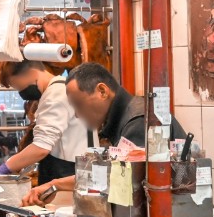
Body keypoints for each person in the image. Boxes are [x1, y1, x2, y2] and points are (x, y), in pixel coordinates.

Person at [22, 63, 187, 206]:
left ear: (102, 91)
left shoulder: (137, 121)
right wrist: (55, 184)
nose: (78, 115)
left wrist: (55, 184)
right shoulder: (126, 116)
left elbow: (120, 178)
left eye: (79, 104)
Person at [0, 60, 93, 201]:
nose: (19, 91)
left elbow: (41, 147)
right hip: (77, 173)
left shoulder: (55, 96)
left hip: (65, 178)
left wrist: (5, 168)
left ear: (30, 73)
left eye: (17, 85)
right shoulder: (63, 86)